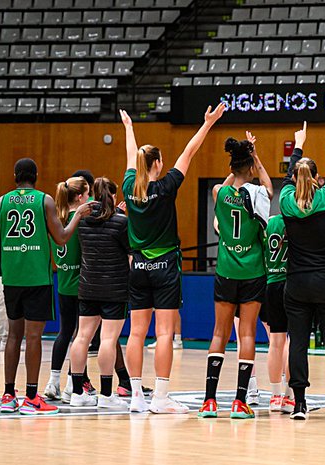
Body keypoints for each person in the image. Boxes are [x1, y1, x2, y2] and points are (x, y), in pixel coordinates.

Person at [119, 104, 225, 413]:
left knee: (136, 332)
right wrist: (207, 124)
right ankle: (161, 397)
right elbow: (189, 152)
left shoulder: (128, 187)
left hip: (138, 266)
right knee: (164, 332)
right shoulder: (166, 187)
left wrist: (128, 128)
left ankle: (136, 396)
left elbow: (129, 155)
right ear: (157, 163)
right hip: (164, 266)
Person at [0, 157, 91, 415]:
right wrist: (77, 215)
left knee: (13, 336)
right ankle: (32, 397)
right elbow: (62, 236)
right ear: (35, 175)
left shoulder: (2, 202)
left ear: (15, 175)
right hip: (36, 278)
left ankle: (8, 394)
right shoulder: (44, 200)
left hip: (11, 278)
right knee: (33, 337)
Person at [279, 117, 325, 420]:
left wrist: (298, 145)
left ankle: (299, 404)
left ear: (296, 178)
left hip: (297, 285)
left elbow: (287, 177)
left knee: (298, 344)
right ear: (317, 178)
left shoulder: (285, 200)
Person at [201, 133, 272, 419]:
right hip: (253, 272)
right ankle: (240, 402)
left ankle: (209, 402)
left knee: (219, 333)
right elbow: (267, 185)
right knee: (247, 333)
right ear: (251, 167)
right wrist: (256, 158)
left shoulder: (220, 192)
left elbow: (226, 183)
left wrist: (237, 169)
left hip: (226, 271)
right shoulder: (258, 195)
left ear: (231, 168)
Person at [66, 177, 134, 410]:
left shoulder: (84, 222)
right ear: (113, 195)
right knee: (108, 339)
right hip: (114, 289)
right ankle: (106, 396)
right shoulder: (120, 222)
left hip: (87, 287)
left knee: (81, 337)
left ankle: (76, 392)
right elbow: (131, 251)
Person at [42, 176, 91, 403]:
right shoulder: (80, 221)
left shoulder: (56, 219)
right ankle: (73, 384)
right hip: (81, 286)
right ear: (80, 197)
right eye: (88, 194)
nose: (90, 198)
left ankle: (52, 382)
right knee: (81, 337)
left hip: (63, 284)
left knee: (64, 333)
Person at [261, 212, 293, 413]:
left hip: (270, 284)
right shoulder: (297, 221)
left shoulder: (268, 223)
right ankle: (289, 396)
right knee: (292, 341)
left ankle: (274, 396)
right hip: (291, 284)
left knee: (275, 341)